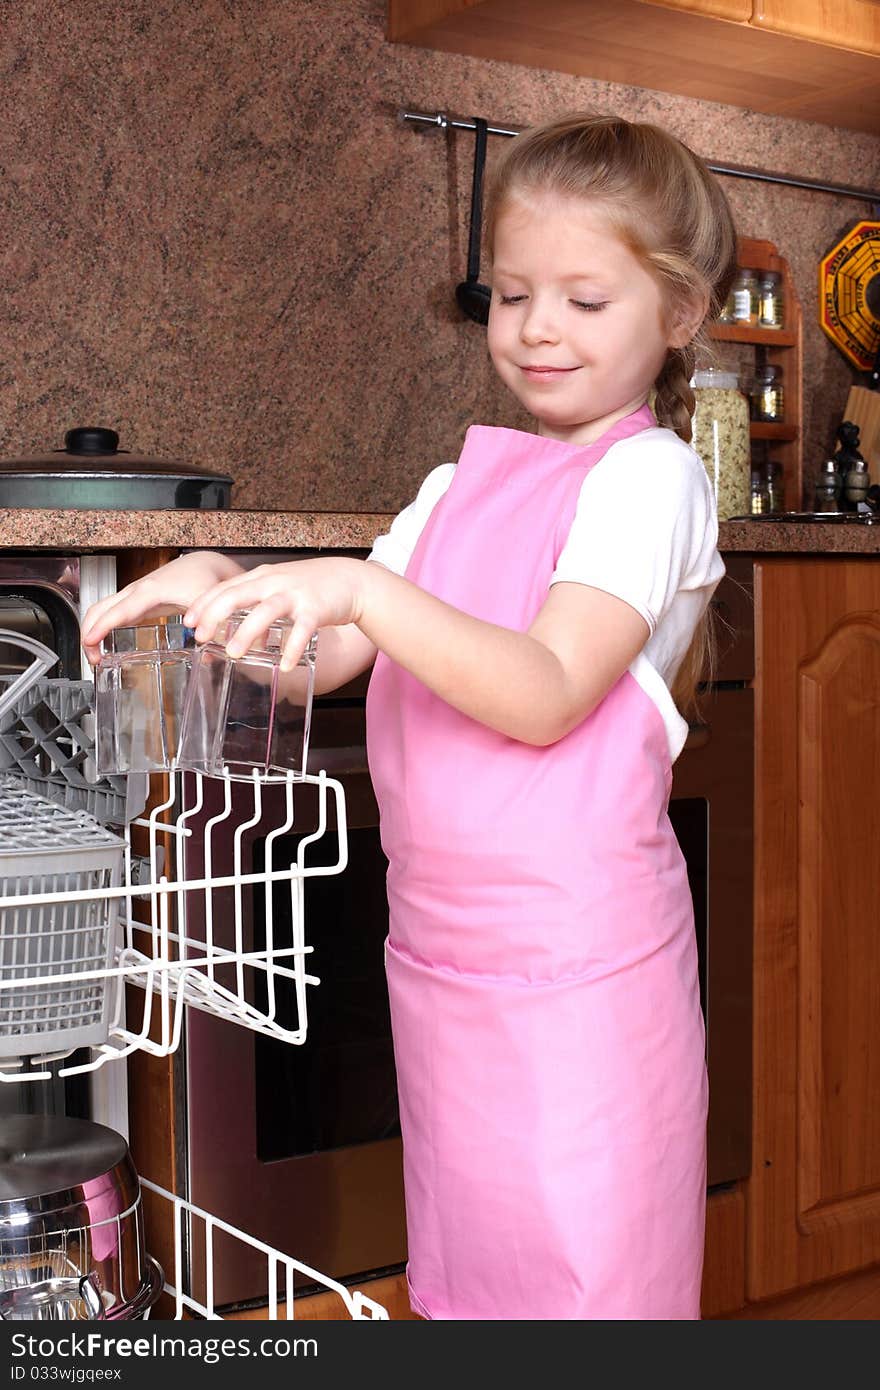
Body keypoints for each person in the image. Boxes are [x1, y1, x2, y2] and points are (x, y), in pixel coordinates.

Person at [81, 111, 738, 1320]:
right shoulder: (455, 485)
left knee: (592, 1298)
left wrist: (365, 585)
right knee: (475, 1293)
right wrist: (221, 586)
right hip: (444, 971)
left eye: (585, 300)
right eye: (513, 292)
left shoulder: (651, 480)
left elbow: (544, 692)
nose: (538, 327)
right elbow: (322, 660)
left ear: (678, 315)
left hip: (582, 991)